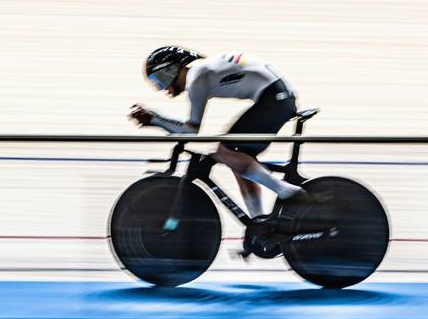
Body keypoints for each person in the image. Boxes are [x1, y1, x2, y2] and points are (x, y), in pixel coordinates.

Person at [129, 46, 307, 222]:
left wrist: (155, 119)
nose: (163, 88)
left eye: (160, 80)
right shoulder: (201, 71)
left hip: (273, 98)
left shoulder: (196, 77)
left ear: (171, 69)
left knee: (224, 152)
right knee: (238, 159)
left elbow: (190, 131)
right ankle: (258, 224)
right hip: (277, 96)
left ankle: (287, 192)